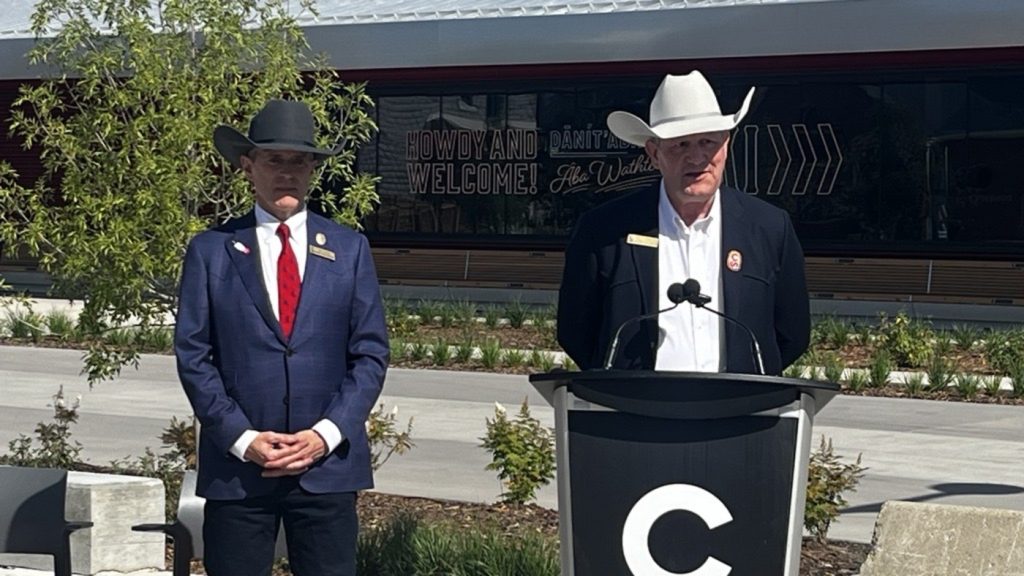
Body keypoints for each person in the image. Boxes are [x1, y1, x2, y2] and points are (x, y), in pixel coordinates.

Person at [174, 99, 389, 576]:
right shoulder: (211, 252)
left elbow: (371, 354)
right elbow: (193, 355)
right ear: (248, 166)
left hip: (326, 469)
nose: (287, 173)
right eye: (274, 160)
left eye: (299, 161)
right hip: (240, 473)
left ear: (313, 168)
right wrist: (242, 437)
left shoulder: (349, 250)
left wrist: (324, 435)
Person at [557, 71, 809, 374]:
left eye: (708, 142)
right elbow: (576, 332)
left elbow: (792, 334)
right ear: (654, 153)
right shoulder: (605, 231)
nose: (697, 158)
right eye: (681, 145)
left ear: (726, 146)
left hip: (738, 411)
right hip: (637, 410)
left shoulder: (769, 227)